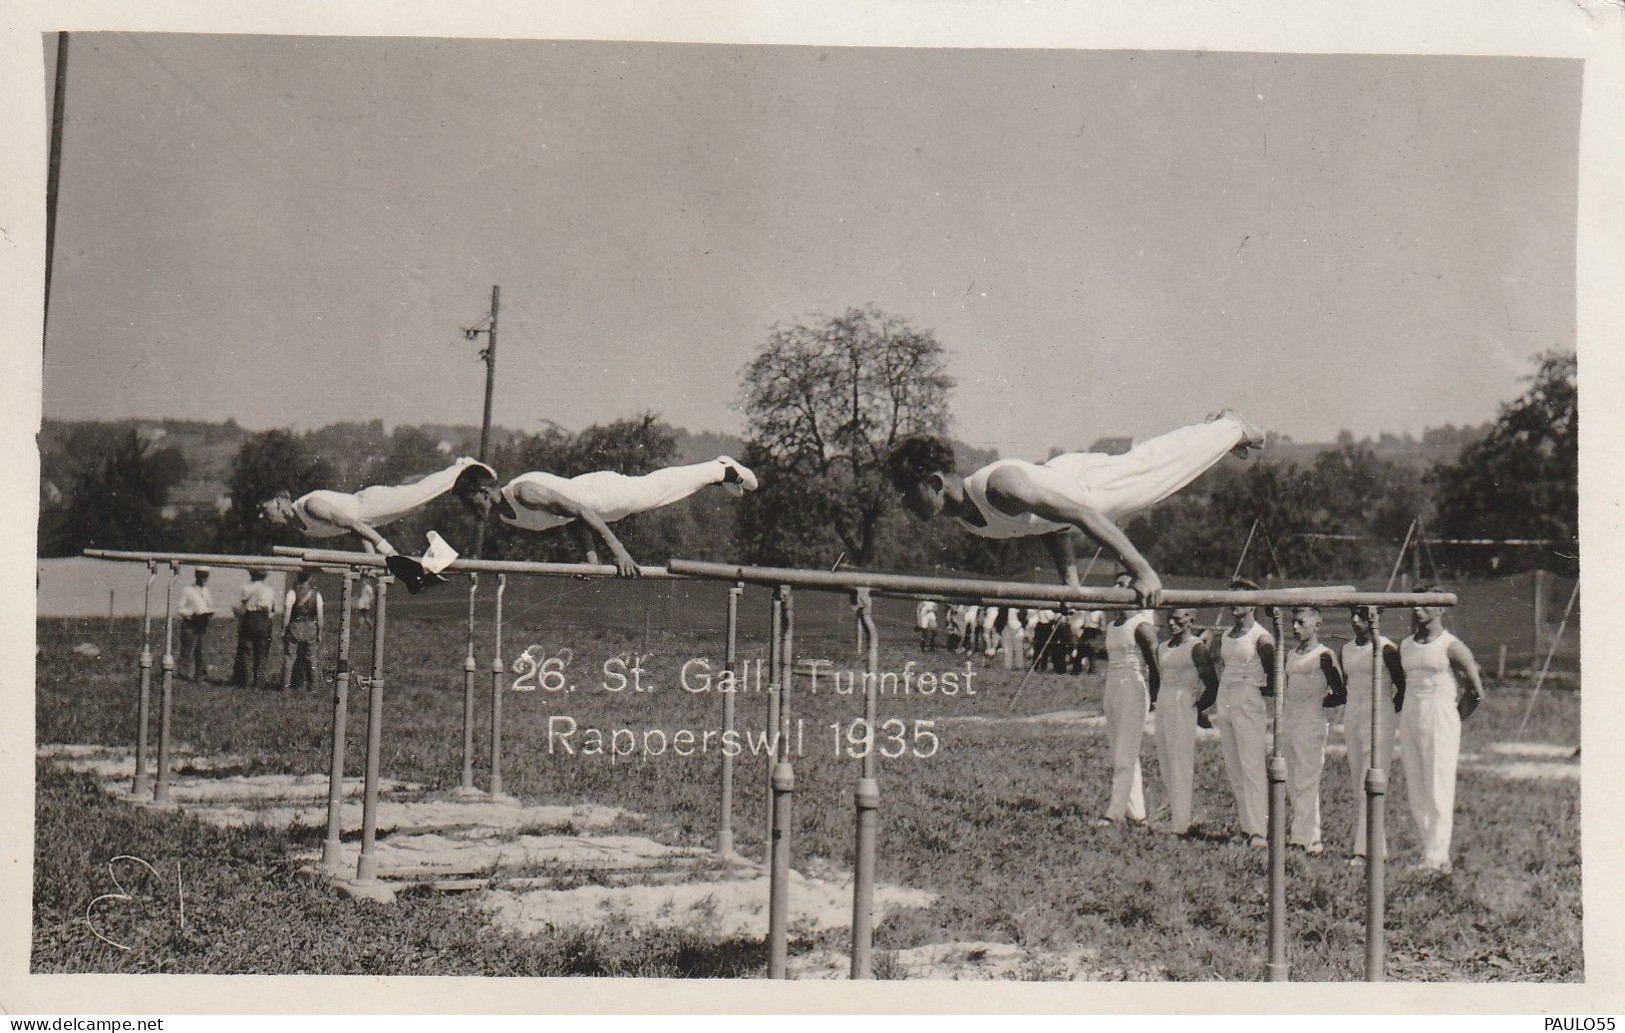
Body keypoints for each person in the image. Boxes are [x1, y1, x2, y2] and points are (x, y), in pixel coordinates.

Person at [885, 411, 1265, 605]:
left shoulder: (998, 487)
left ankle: (1233, 426)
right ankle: (1217, 428)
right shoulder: (968, 520)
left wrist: (1143, 571)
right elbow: (1047, 526)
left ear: (935, 483)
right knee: (1151, 462)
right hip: (1067, 482)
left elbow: (1081, 515)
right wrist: (1070, 584)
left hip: (1089, 489)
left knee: (1157, 470)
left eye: (906, 492)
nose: (903, 504)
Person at [468, 456, 758, 577]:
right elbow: (571, 518)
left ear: (482, 491)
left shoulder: (523, 493)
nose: (469, 511)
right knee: (656, 489)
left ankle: (721, 470)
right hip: (595, 506)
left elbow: (581, 511)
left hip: (602, 495)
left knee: (656, 489)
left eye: (468, 502)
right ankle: (716, 475)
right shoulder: (507, 516)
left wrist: (618, 551)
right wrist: (591, 561)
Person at [1399, 587, 1486, 875]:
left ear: (1440, 610)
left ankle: (1438, 858)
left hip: (1441, 714)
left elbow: (1475, 690)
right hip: (1411, 714)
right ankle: (1430, 852)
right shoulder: (1406, 646)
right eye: (1415, 604)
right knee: (1416, 786)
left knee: (1438, 787)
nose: (1417, 609)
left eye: (1425, 605)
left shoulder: (1452, 647)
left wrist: (1454, 718)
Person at [262, 456, 498, 558]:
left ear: (280, 501)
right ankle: (454, 480)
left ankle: (460, 468)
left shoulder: (310, 506)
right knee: (417, 493)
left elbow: (354, 522)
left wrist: (388, 552)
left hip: (370, 505)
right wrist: (371, 560)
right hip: (371, 516)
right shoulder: (299, 527)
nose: (265, 516)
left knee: (418, 494)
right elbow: (355, 529)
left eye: (266, 509)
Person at [1208, 577, 1275, 848]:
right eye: (1231, 596)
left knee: (1252, 766)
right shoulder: (1225, 634)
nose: (1235, 603)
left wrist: (1256, 692)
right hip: (1226, 698)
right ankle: (1246, 828)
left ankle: (1259, 831)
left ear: (1253, 603)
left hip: (1249, 699)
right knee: (1234, 767)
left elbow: (1275, 675)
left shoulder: (1261, 637)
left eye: (1241, 598)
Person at [1341, 606, 1406, 863]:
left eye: (1363, 615)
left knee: (1373, 779)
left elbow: (1402, 687)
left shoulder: (1387, 649)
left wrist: (1387, 712)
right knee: (1358, 781)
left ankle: (1363, 850)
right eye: (1353, 615)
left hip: (1379, 717)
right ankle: (1375, 846)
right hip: (1353, 716)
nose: (1356, 620)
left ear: (1377, 617)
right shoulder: (1345, 650)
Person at [1281, 606, 1346, 855]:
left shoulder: (1324, 655)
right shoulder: (1290, 655)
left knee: (1308, 778)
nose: (1295, 628)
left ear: (1317, 625)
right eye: (1293, 623)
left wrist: (1318, 703)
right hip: (1290, 719)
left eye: (1301, 623)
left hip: (1311, 721)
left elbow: (1340, 693)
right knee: (1294, 780)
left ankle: (1300, 838)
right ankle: (1313, 837)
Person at [1096, 572, 1160, 827]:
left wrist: (1156, 699)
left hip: (1133, 687)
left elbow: (1155, 667)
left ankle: (1113, 813)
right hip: (1113, 686)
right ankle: (1137, 813)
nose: (1116, 588)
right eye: (1115, 583)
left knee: (1126, 751)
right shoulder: (1112, 626)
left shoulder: (1142, 626)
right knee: (1121, 751)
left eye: (1123, 585)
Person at [1155, 608, 1219, 836]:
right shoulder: (1162, 647)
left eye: (1178, 619)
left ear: (1191, 619)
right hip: (1164, 702)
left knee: (1180, 761)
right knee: (1165, 760)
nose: (1171, 623)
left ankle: (1181, 824)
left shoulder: (1196, 648)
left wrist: (1198, 708)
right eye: (1169, 618)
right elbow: (1158, 678)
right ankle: (1172, 813)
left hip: (1184, 702)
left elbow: (1212, 684)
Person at [232, 568, 278, 689]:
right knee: (262, 653)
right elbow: (272, 609)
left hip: (248, 619)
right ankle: (259, 683)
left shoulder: (245, 588)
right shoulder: (269, 590)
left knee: (246, 651)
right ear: (264, 577)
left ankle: (245, 682)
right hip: (263, 620)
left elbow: (239, 606)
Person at [281, 569, 325, 692]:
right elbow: (320, 618)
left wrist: (283, 630)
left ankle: (285, 688)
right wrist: (320, 633)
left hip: (295, 627)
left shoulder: (291, 593)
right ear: (310, 579)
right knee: (312, 659)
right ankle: (313, 688)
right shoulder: (317, 595)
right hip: (311, 628)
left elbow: (287, 616)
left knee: (289, 659)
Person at [176, 567, 216, 682]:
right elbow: (180, 608)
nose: (204, 579)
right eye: (202, 576)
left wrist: (209, 613)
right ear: (196, 576)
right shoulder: (187, 590)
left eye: (206, 576)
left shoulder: (206, 591)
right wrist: (191, 613)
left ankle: (200, 676)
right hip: (190, 623)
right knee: (187, 649)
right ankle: (183, 675)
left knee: (201, 650)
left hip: (202, 623)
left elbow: (209, 605)